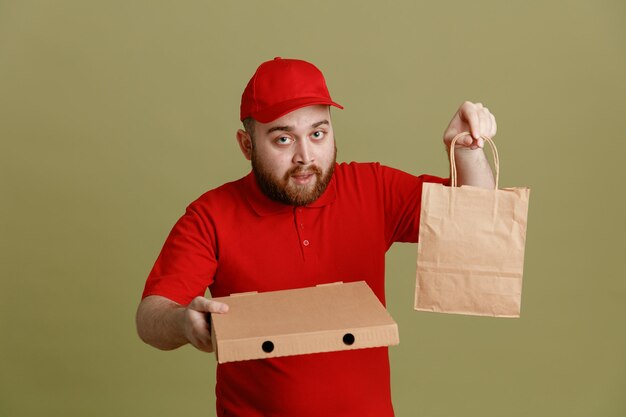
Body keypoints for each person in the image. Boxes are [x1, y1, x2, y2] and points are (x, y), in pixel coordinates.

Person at [136, 57, 497, 417]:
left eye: (318, 133)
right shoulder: (210, 215)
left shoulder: (373, 189)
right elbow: (150, 316)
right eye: (283, 138)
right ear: (247, 146)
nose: (305, 156)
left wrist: (468, 151)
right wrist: (183, 322)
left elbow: (474, 223)